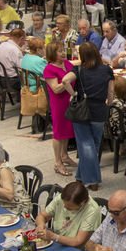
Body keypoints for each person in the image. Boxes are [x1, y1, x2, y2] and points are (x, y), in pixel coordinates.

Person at [42, 42, 78, 177]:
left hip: (70, 101)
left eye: (63, 50)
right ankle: (58, 162)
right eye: (59, 51)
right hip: (59, 103)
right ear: (52, 54)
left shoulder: (67, 64)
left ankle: (65, 155)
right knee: (58, 132)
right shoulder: (49, 69)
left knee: (67, 130)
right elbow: (56, 89)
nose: (63, 53)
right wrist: (66, 81)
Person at [36, 180, 103, 248]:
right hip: (59, 241)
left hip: (77, 249)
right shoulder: (62, 198)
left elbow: (78, 241)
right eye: (64, 204)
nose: (64, 207)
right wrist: (40, 225)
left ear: (82, 203)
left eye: (69, 207)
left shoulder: (92, 210)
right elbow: (42, 216)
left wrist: (53, 236)